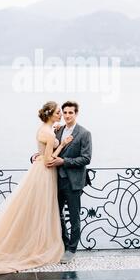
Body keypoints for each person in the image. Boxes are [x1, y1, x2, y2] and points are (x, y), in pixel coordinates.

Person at [0, 101, 73, 274]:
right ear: (51, 114)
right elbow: (50, 159)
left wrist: (53, 135)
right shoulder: (50, 134)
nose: (60, 114)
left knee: (36, 208)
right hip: (45, 172)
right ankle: (38, 245)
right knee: (42, 208)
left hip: (39, 169)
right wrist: (63, 144)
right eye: (58, 112)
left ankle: (32, 241)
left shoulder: (44, 129)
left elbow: (43, 151)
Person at [47, 101, 92, 264]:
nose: (66, 115)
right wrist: (36, 156)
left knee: (74, 217)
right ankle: (64, 244)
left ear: (76, 113)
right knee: (56, 215)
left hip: (73, 182)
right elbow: (50, 150)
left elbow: (86, 158)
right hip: (56, 180)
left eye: (70, 113)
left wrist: (63, 161)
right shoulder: (58, 130)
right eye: (64, 112)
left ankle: (71, 250)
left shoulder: (84, 133)